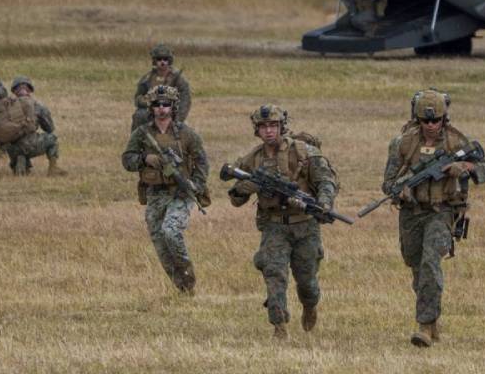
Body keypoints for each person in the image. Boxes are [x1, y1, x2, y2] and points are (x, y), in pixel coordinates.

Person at [380, 88, 485, 347]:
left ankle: (424, 326)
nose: (431, 126)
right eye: (425, 121)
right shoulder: (403, 144)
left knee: (432, 262)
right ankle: (432, 323)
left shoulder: (457, 142)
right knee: (418, 268)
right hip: (411, 214)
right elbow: (387, 184)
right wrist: (401, 190)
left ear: (445, 118)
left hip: (442, 212)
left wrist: (465, 167)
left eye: (436, 120)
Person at [227, 105, 337, 341]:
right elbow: (235, 199)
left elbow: (327, 181)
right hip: (274, 226)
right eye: (264, 127)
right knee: (274, 273)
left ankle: (310, 306)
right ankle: (279, 326)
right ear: (257, 130)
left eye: (273, 126)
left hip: (305, 226)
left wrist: (325, 203)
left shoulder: (304, 152)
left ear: (282, 127)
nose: (269, 131)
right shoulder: (252, 160)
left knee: (307, 282)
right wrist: (244, 188)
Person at [121, 85, 208, 294]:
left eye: (166, 104)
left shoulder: (187, 134)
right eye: (157, 104)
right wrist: (144, 159)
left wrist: (197, 184)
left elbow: (202, 162)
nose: (161, 108)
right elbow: (127, 160)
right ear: (151, 107)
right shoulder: (142, 134)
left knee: (171, 231)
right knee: (160, 243)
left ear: (173, 106)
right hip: (155, 194)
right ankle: (183, 288)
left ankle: (187, 274)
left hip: (180, 193)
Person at [0, 76, 65, 176]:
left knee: (20, 154)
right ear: (30, 90)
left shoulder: (7, 105)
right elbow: (49, 128)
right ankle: (53, 168)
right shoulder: (37, 106)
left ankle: (20, 162)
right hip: (30, 145)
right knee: (52, 139)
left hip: (12, 149)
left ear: (14, 91)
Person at [132, 44, 192, 131]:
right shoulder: (147, 79)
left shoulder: (178, 80)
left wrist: (177, 119)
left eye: (165, 59)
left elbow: (185, 102)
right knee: (139, 115)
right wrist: (148, 101)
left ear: (170, 60)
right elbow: (138, 99)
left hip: (171, 112)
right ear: (154, 61)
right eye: (159, 59)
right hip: (151, 113)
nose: (162, 62)